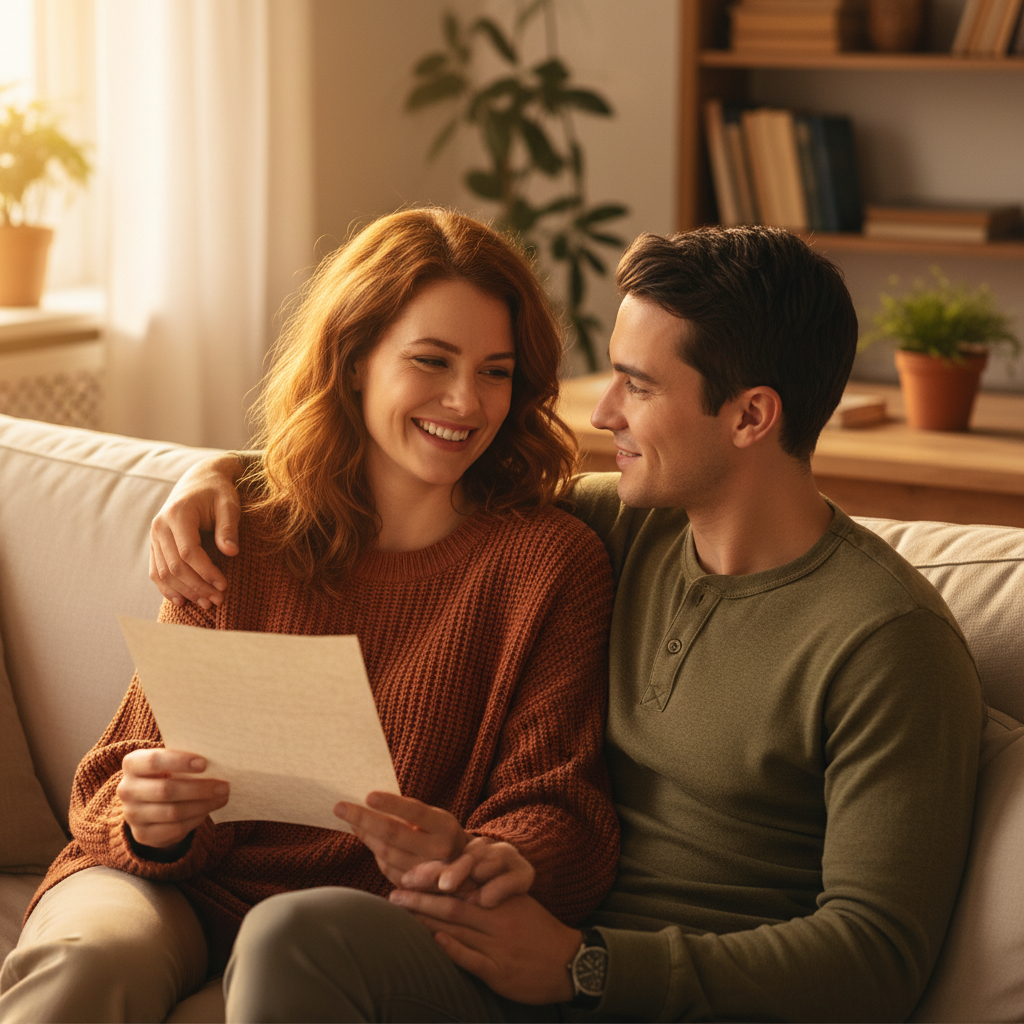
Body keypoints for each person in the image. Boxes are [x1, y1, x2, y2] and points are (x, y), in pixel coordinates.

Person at [140, 225, 984, 1023]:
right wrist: (216, 480)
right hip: (516, 958)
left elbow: (878, 959)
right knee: (297, 932)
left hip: (646, 990)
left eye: (640, 386)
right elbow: (396, 464)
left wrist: (587, 967)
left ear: (750, 417)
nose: (605, 412)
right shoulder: (624, 524)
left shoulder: (887, 641)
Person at [0, 208, 621, 1024]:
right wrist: (152, 822)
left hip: (353, 927)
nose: (466, 401)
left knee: (279, 956)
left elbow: (560, 807)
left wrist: (480, 857)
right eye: (431, 361)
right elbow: (115, 775)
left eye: (497, 371)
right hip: (173, 887)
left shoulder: (548, 564)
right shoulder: (238, 532)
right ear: (356, 361)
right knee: (87, 962)